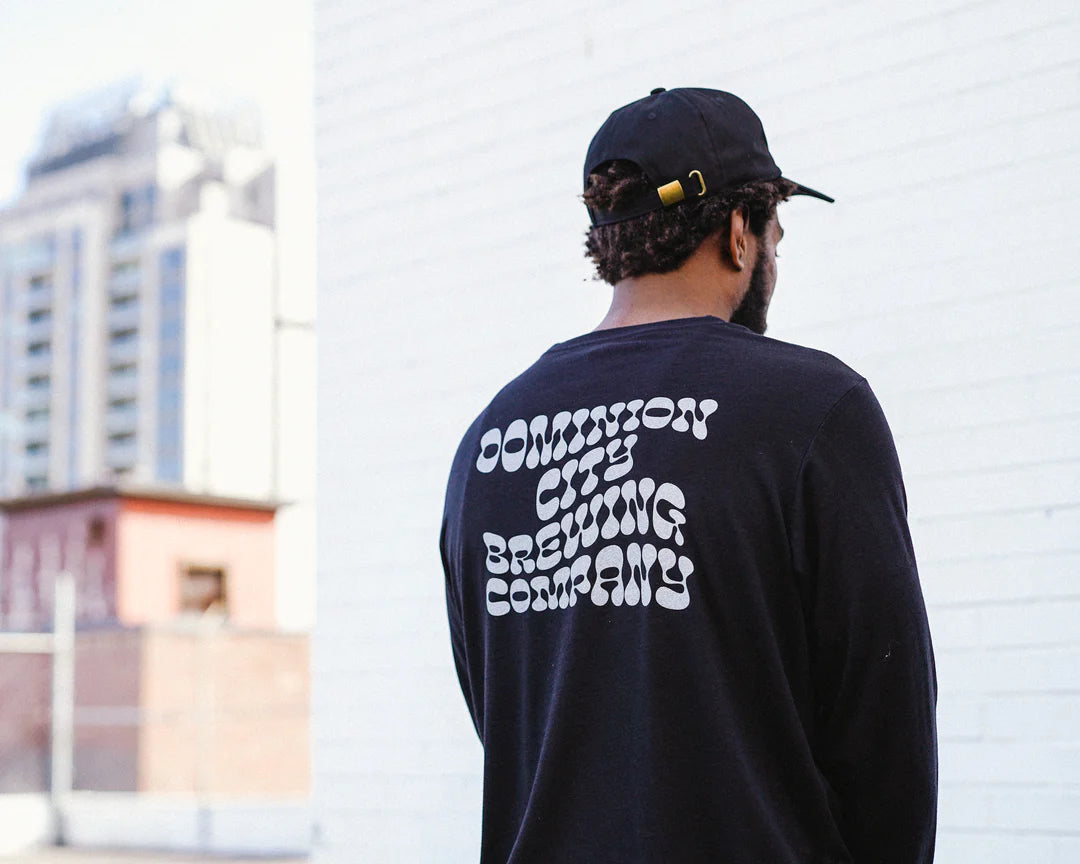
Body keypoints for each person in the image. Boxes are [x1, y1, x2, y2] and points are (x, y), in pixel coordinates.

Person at [440, 87, 937, 864]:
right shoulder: (814, 410)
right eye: (774, 223)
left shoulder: (490, 438)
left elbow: (504, 716)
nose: (776, 245)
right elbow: (887, 743)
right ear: (740, 233)